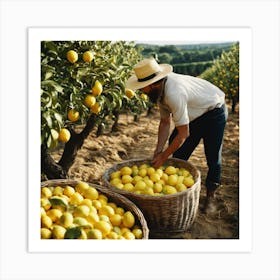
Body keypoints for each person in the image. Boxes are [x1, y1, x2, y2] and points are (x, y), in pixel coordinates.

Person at [126, 57, 228, 213]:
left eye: (142, 87)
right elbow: (165, 122)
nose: (141, 91)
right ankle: (174, 192)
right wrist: (159, 150)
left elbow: (183, 134)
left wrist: (163, 157)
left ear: (152, 84)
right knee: (178, 154)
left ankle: (210, 196)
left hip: (214, 110)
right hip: (194, 114)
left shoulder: (174, 93)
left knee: (213, 156)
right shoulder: (159, 92)